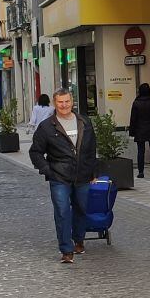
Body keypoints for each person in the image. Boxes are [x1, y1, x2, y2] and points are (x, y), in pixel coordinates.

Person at [28, 88, 99, 264]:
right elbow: (35, 152)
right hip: (59, 176)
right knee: (62, 212)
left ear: (72, 102)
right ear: (55, 103)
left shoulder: (84, 122)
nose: (64, 105)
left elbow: (91, 149)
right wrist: (47, 170)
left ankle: (79, 239)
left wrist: (93, 172)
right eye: (60, 102)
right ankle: (66, 250)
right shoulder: (46, 127)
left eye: (67, 101)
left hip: (82, 175)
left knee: (81, 208)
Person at [128, 84, 150, 179]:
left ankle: (141, 172)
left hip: (139, 129)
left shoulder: (136, 102)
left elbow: (133, 118)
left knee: (140, 151)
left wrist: (132, 131)